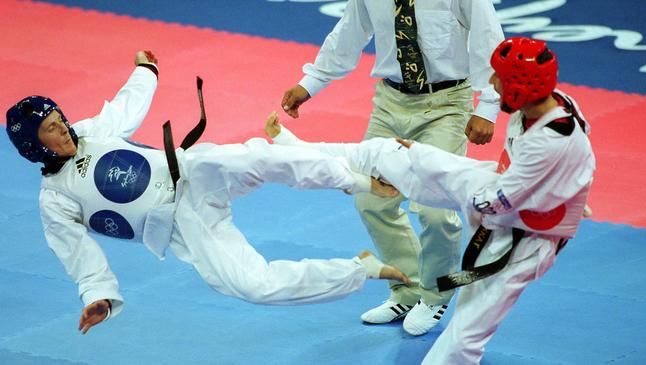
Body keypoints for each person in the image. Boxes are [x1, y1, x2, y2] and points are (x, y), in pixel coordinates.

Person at [4, 50, 411, 335]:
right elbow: (79, 254)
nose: (63, 127)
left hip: (193, 174)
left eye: (59, 118)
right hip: (184, 226)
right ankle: (360, 269)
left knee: (258, 159)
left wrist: (146, 70)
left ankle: (359, 181)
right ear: (34, 146)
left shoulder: (92, 131)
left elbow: (125, 108)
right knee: (253, 286)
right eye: (51, 129)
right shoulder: (55, 201)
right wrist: (100, 296)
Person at [268, 37, 595, 364]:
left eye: (499, 78)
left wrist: (431, 173)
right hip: (504, 189)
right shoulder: (555, 103)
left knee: (465, 333)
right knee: (393, 152)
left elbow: (495, 202)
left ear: (521, 85)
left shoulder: (548, 142)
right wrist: (569, 195)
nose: (492, 84)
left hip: (519, 237)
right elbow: (580, 157)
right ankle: (303, 150)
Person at [280, 0, 505, 335]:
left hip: (446, 103)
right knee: (370, 199)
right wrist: (311, 82)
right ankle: (408, 287)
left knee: (434, 210)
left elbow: (492, 42)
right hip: (390, 102)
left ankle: (436, 293)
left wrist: (487, 108)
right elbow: (350, 30)